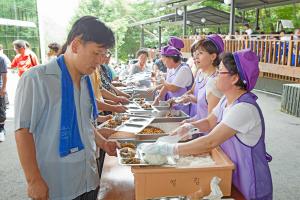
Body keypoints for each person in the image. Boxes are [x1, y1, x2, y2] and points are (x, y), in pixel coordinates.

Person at [145, 49, 273, 200]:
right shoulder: (227, 100)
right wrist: (189, 127)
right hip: (231, 172)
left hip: (249, 182)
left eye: (220, 72)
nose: (216, 75)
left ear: (234, 78)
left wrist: (170, 149)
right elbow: (209, 121)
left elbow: (210, 141)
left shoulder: (244, 108)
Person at [14, 16, 119, 200]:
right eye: (96, 53)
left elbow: (84, 121)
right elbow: (23, 131)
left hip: (88, 178)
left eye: (104, 54)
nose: (100, 61)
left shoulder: (86, 80)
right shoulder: (37, 79)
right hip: (56, 184)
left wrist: (102, 142)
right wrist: (33, 180)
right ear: (76, 44)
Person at [178, 35, 224, 120]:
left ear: (213, 56)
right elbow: (192, 91)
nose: (195, 57)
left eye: (200, 53)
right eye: (195, 54)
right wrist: (183, 97)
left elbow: (212, 120)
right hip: (197, 117)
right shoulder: (199, 72)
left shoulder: (216, 81)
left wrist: (192, 99)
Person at [152, 45, 194, 114]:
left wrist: (162, 81)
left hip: (183, 108)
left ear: (171, 59)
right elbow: (166, 86)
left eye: (164, 60)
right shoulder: (171, 68)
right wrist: (159, 97)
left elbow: (173, 88)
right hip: (173, 105)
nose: (163, 63)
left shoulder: (184, 69)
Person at [0, 44, 9, 142]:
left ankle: (1, 130)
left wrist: (3, 88)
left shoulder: (1, 59)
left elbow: (4, 75)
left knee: (1, 111)